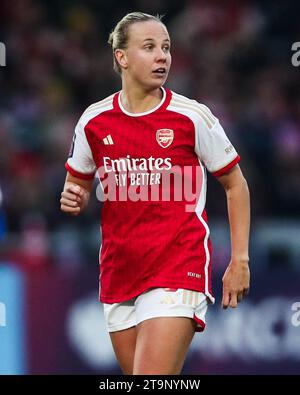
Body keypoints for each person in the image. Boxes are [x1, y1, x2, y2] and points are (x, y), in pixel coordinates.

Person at [60, 12, 250, 375]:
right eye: (149, 47)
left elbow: (235, 183)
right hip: (119, 271)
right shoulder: (94, 121)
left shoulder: (191, 117)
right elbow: (77, 184)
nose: (163, 56)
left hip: (178, 265)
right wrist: (74, 196)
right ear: (122, 57)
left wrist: (239, 259)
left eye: (166, 48)